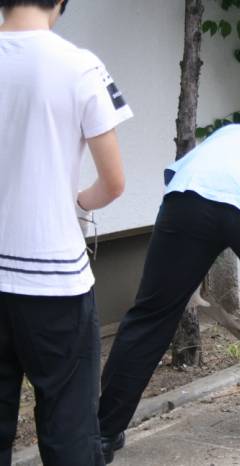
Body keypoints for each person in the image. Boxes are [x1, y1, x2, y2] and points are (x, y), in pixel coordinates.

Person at [98, 121, 240, 463]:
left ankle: (101, 432)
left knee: (152, 313)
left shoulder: (236, 133)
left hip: (187, 196)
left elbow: (177, 176)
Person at [0, 0, 132, 464]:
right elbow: (113, 183)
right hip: (53, 278)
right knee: (68, 427)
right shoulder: (80, 66)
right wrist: (76, 202)